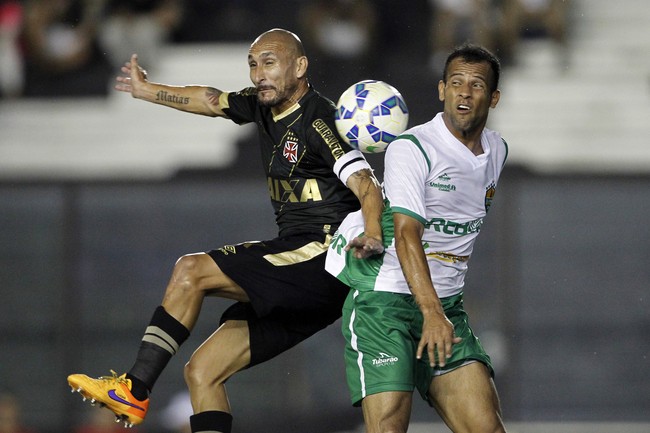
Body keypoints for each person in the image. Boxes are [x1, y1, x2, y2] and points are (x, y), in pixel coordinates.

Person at [67, 28, 384, 431]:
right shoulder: (263, 105)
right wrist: (146, 91)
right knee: (202, 372)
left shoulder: (320, 121)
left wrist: (372, 232)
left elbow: (367, 185)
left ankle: (134, 388)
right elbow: (210, 99)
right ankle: (137, 391)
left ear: (300, 66)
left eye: (269, 62)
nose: (258, 74)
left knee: (191, 270)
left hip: (323, 257)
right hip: (301, 273)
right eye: (253, 64)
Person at [326, 43, 508, 433]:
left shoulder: (497, 150)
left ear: (493, 97)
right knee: (390, 426)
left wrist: (440, 311)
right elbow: (407, 236)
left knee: (486, 428)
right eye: (456, 83)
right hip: (386, 302)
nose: (464, 92)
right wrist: (431, 313)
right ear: (441, 89)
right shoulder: (412, 148)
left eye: (476, 85)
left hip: (445, 308)